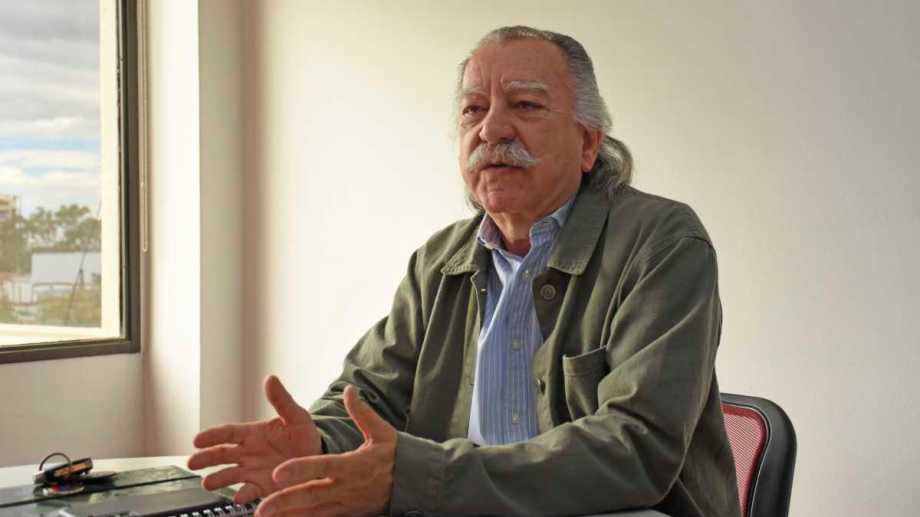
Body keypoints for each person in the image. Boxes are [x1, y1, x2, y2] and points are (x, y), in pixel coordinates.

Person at [188, 26, 741, 517]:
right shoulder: (440, 260)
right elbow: (369, 397)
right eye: (474, 110)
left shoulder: (662, 243)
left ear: (588, 142)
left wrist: (419, 479)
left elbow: (636, 449)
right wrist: (318, 445)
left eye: (525, 105)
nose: (492, 129)